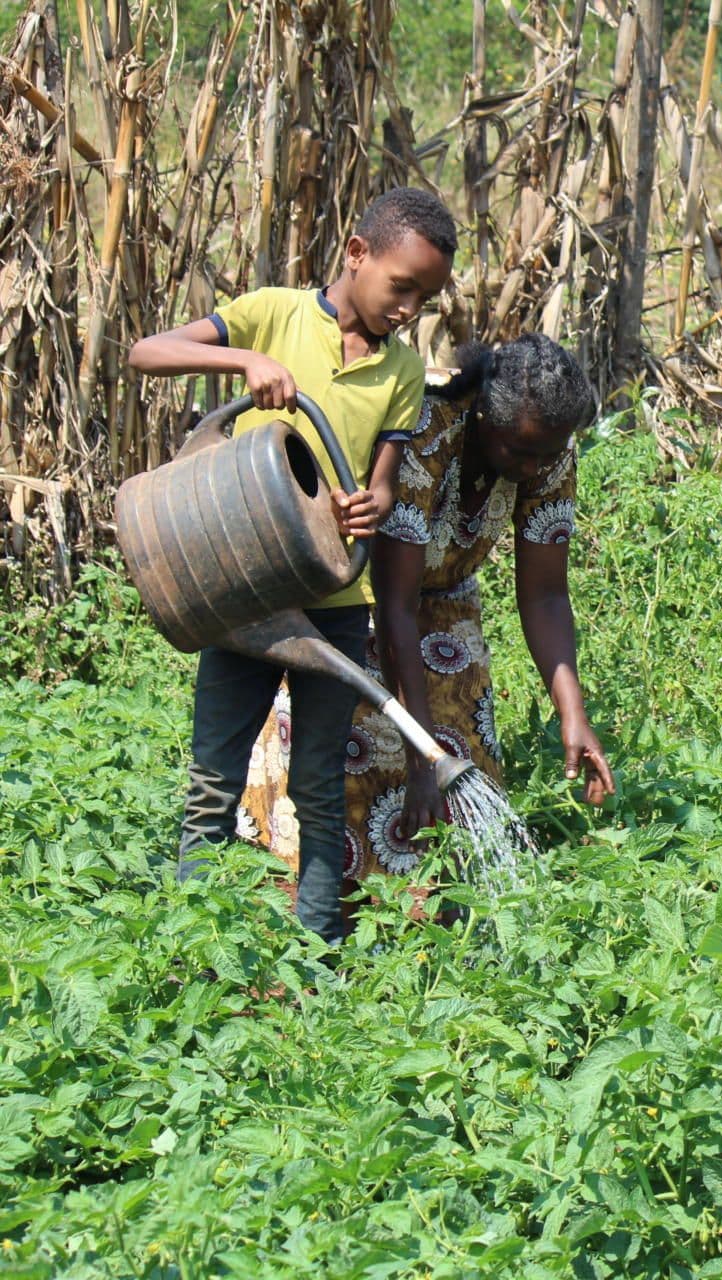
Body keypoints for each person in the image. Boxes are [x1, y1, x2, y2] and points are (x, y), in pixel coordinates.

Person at [128, 187, 457, 943]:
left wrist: (368, 508)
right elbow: (147, 352)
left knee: (316, 786)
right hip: (244, 591)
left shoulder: (403, 371)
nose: (408, 308)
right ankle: (192, 951)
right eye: (401, 287)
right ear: (356, 254)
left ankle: (314, 958)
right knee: (213, 780)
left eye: (425, 298)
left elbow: (380, 484)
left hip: (335, 601)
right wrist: (244, 359)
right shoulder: (273, 313)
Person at [240, 334, 615, 888]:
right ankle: (317, 920)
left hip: (449, 612)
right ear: (486, 415)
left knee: (467, 768)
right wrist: (422, 757)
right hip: (357, 602)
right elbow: (394, 604)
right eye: (519, 451)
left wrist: (572, 713)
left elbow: (545, 595)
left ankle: (431, 936)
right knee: (352, 757)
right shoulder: (426, 428)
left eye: (546, 455)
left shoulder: (547, 447)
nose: (532, 466)